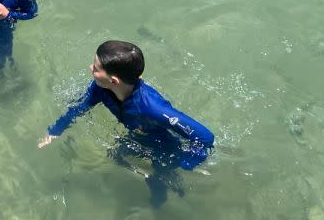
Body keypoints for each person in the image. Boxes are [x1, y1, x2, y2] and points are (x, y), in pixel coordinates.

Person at [39, 40, 215, 206]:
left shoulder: (152, 107)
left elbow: (205, 137)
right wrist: (55, 131)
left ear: (113, 80)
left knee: (158, 178)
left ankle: (159, 204)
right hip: (136, 134)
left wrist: (187, 163)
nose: (90, 68)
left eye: (96, 68)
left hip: (163, 144)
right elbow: (79, 108)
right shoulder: (100, 88)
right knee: (115, 155)